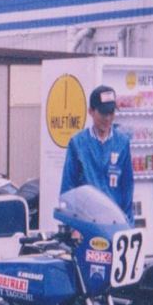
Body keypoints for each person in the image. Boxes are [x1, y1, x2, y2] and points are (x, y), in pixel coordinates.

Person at [60, 84, 134, 220]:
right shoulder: (77, 143)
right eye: (103, 113)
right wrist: (72, 225)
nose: (108, 118)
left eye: (111, 112)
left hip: (114, 220)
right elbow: (68, 186)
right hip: (86, 220)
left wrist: (128, 222)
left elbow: (127, 186)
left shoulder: (122, 142)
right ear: (91, 111)